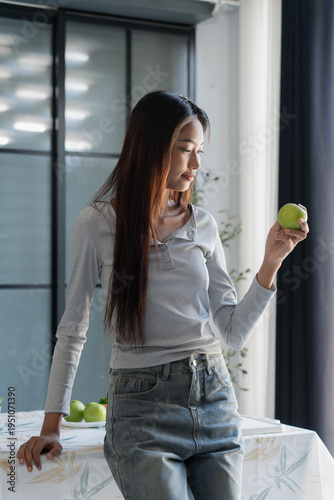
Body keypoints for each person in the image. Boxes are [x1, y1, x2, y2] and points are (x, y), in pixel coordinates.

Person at [17, 90, 309, 500]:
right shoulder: (97, 223)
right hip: (141, 409)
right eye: (185, 149)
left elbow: (231, 333)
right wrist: (51, 426)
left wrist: (271, 262)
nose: (197, 164)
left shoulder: (203, 225)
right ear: (151, 147)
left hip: (214, 396)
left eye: (200, 150)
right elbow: (73, 329)